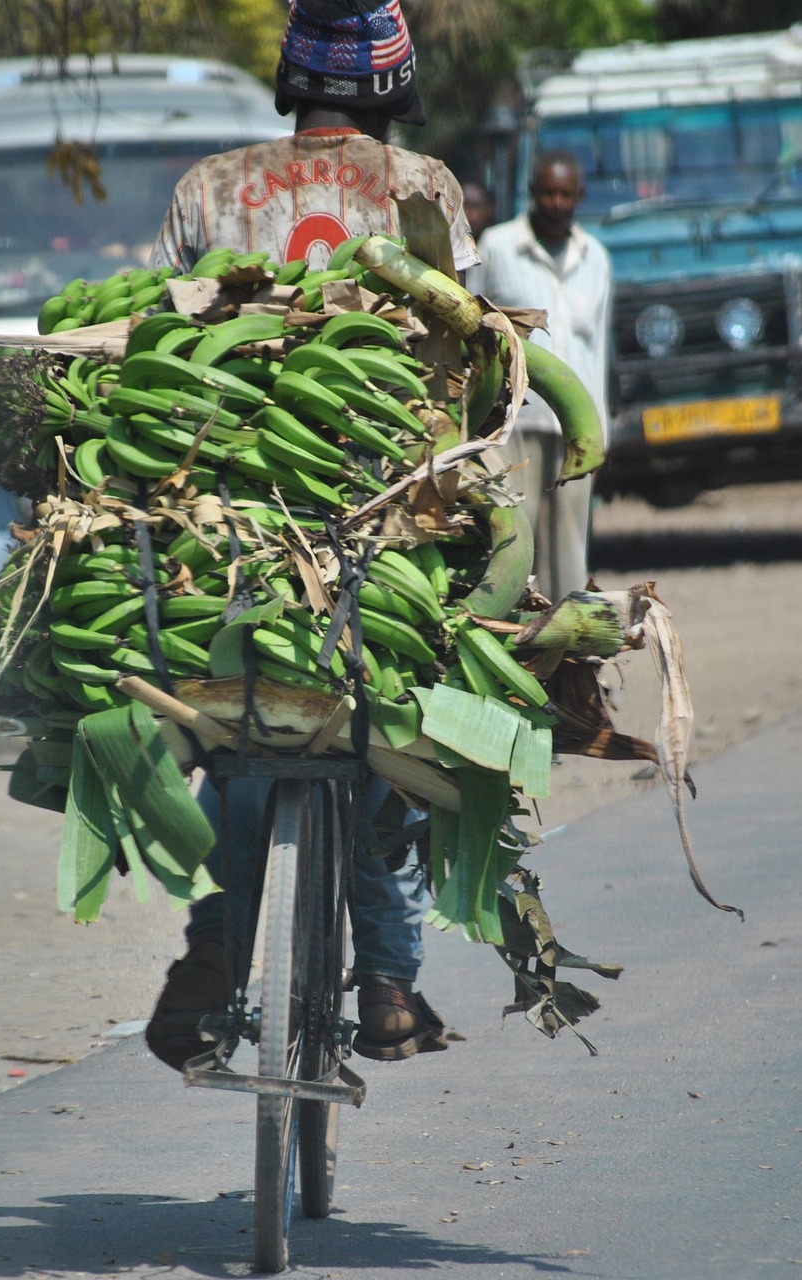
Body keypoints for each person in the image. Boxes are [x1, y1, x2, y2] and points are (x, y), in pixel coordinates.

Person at [145, 0, 477, 1072]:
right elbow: (458, 363)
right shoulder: (420, 188)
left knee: (231, 727)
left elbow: (152, 344)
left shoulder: (206, 189)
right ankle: (384, 979)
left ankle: (212, 940)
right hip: (381, 514)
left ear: (291, 78)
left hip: (229, 520)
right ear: (393, 83)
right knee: (393, 739)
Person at [469, 150, 612, 603]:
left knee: (569, 547)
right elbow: (474, 328)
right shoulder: (498, 246)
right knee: (516, 538)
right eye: (547, 192)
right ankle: (515, 638)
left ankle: (568, 654)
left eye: (565, 194)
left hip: (574, 429)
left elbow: (599, 351)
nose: (556, 202)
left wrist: (599, 434)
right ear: (532, 193)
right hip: (516, 422)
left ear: (579, 196)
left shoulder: (596, 259)